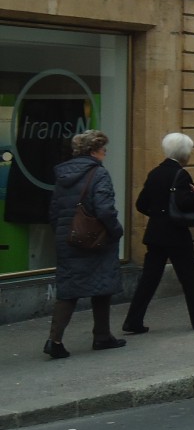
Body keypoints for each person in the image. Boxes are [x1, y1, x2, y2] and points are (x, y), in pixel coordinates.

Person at [122, 132, 194, 334]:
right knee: (190, 277)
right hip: (176, 234)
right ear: (185, 154)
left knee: (149, 279)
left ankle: (133, 320)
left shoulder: (155, 172)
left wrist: (159, 215)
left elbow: (141, 204)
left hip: (156, 234)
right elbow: (184, 202)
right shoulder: (181, 174)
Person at [43, 130, 127, 359]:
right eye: (103, 148)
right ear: (93, 151)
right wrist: (116, 231)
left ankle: (55, 339)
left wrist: (62, 234)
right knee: (102, 285)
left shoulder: (62, 175)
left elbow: (54, 210)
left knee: (68, 290)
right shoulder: (99, 174)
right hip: (95, 239)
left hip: (68, 238)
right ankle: (101, 336)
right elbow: (104, 209)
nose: (105, 152)